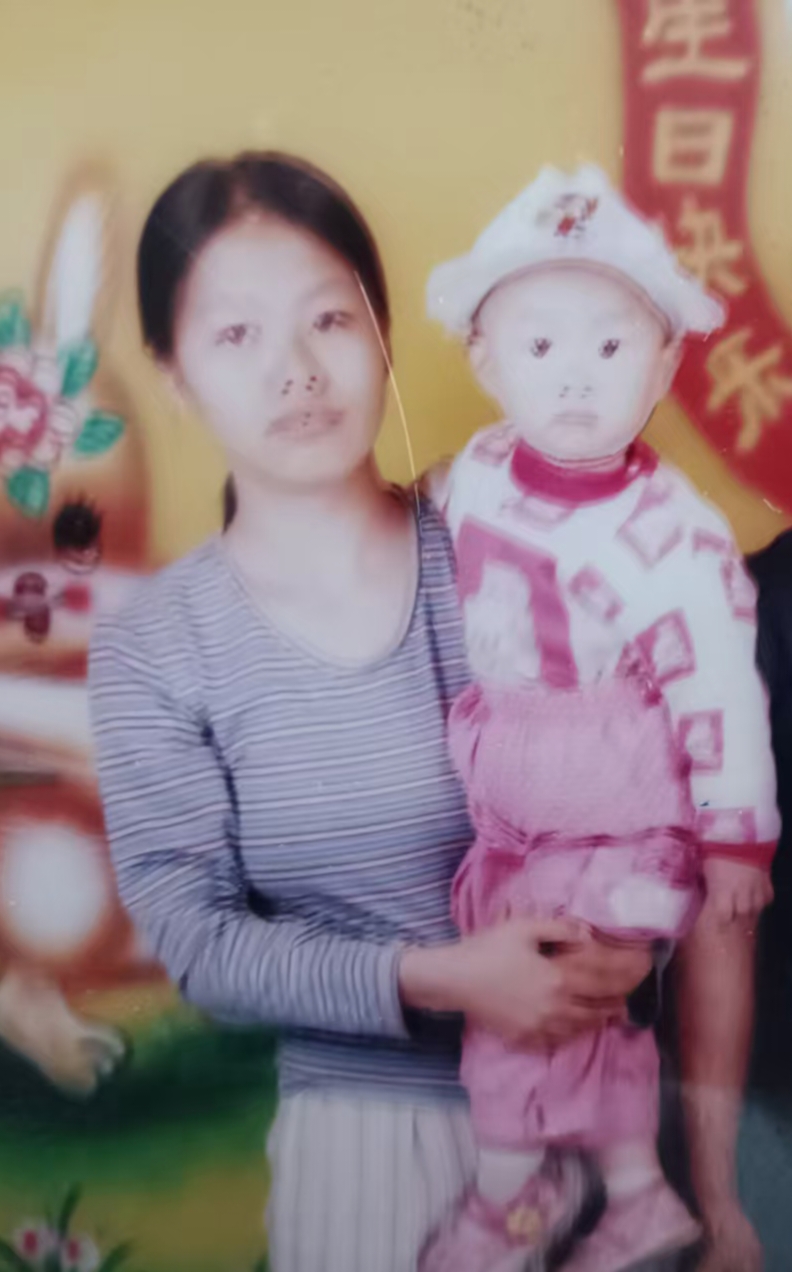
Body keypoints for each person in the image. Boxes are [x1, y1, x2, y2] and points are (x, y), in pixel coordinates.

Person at [86, 152, 652, 1272]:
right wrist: (444, 978)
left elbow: (647, 782)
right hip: (367, 1149)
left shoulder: (509, 543)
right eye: (237, 335)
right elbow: (199, 940)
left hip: (603, 1120)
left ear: (385, 333)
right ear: (173, 373)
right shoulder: (157, 643)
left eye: (329, 319)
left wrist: (632, 941)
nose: (297, 372)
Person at [419, 165, 779, 1272]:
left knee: (535, 1000)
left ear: (665, 365)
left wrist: (736, 842)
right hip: (520, 821)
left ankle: (507, 1199)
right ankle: (635, 1194)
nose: (575, 376)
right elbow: (426, 517)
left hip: (620, 822)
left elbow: (724, 692)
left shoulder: (676, 537)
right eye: (539, 346)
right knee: (577, 1014)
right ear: (484, 361)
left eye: (612, 347)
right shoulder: (476, 474)